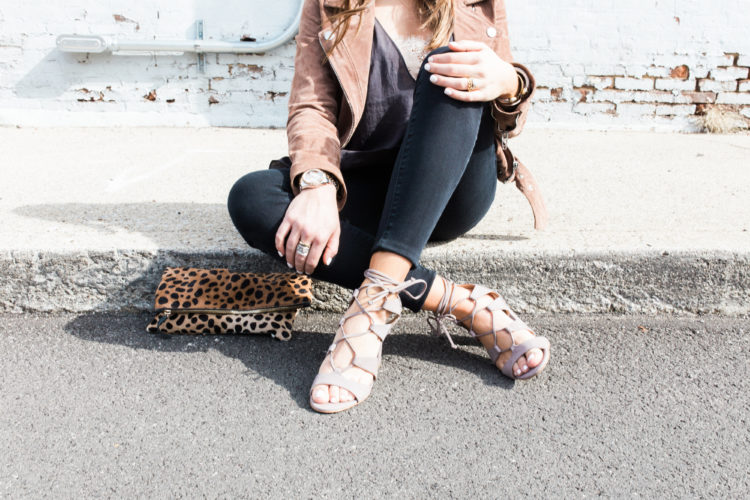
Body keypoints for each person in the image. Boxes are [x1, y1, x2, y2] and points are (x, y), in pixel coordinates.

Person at [228, 0, 550, 414]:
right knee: (252, 197)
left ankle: (367, 319)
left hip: (453, 188)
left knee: (453, 66)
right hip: (371, 178)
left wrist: (510, 81)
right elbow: (312, 106)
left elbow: (509, 113)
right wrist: (319, 184)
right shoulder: (330, 5)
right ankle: (461, 303)